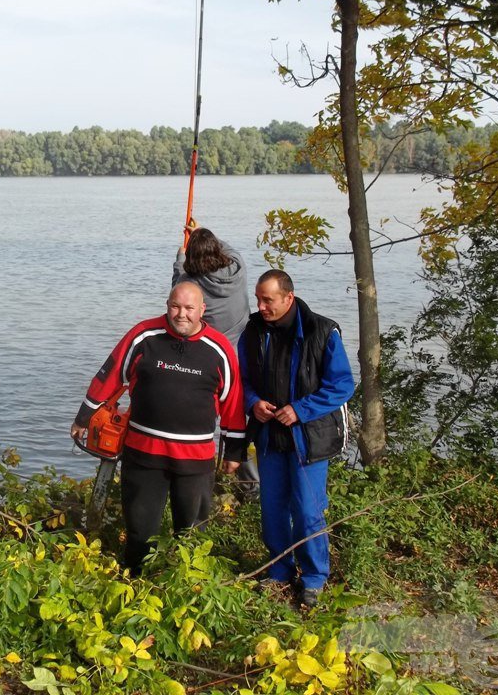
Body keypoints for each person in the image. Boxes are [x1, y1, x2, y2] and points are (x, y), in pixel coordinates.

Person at [70, 282, 245, 574]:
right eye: (176, 306)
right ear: (167, 304)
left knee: (191, 536)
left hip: (195, 461)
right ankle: (136, 587)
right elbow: (110, 374)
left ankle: (187, 589)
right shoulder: (144, 336)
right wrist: (83, 418)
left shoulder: (219, 349)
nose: (182, 314)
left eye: (189, 308)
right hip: (143, 456)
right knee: (139, 534)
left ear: (202, 310)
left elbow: (234, 402)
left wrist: (234, 451)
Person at [222, 269, 355, 608]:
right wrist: (254, 403)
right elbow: (244, 381)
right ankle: (280, 570)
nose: (261, 306)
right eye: (258, 299)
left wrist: (301, 409)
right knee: (273, 509)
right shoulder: (253, 332)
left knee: (309, 510)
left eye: (268, 300)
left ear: (288, 298)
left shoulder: (322, 331)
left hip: (308, 439)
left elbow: (341, 386)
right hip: (269, 437)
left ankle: (313, 577)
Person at [173, 225, 258, 499]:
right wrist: (200, 232)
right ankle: (250, 486)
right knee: (237, 420)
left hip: (213, 360)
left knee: (204, 418)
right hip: (244, 355)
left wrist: (179, 255)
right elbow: (227, 248)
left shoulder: (193, 285)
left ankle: (198, 473)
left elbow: (179, 290)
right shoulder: (238, 267)